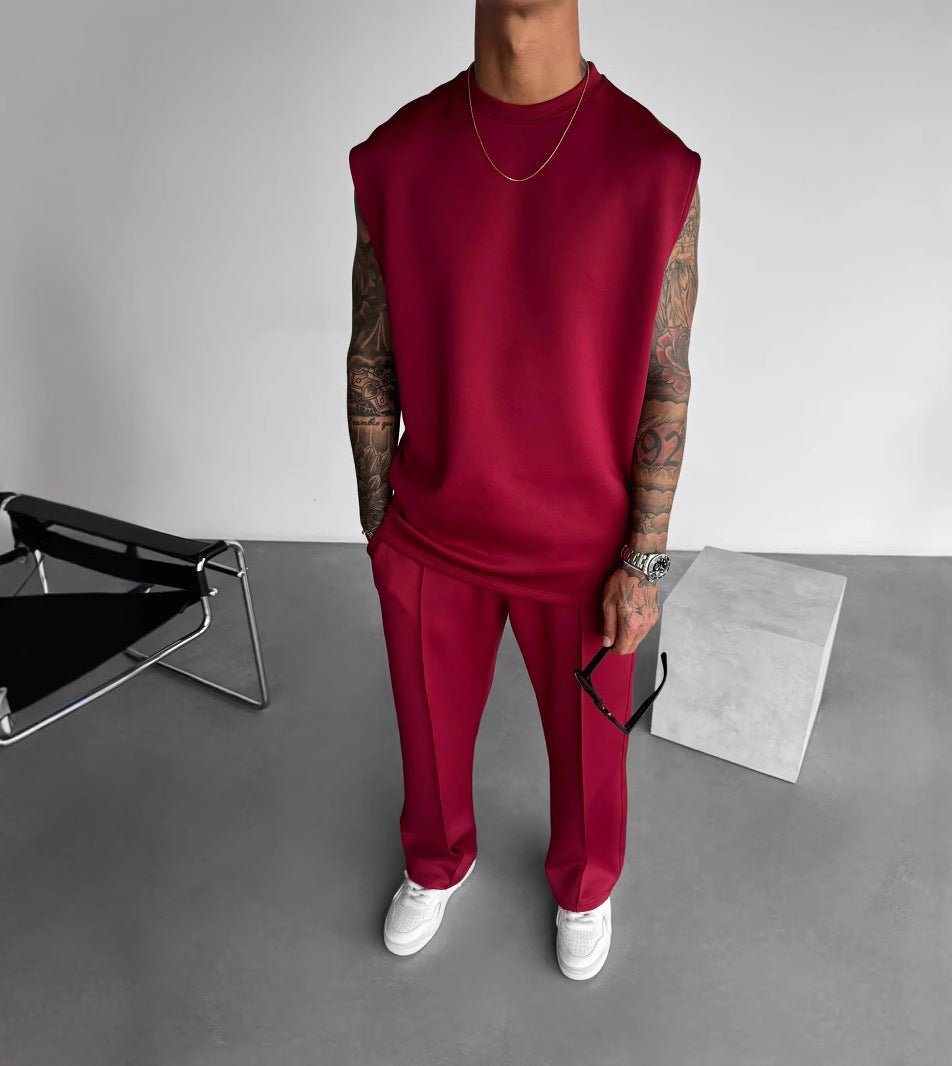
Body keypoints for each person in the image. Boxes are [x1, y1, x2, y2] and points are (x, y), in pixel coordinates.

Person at [346, 0, 700, 981]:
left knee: (591, 763)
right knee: (425, 739)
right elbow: (371, 352)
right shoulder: (396, 157)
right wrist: (379, 527)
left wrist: (643, 561)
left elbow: (667, 374)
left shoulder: (654, 168)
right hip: (433, 531)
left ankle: (586, 882)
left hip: (586, 548)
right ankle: (435, 859)